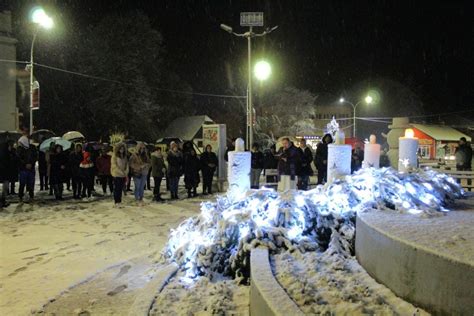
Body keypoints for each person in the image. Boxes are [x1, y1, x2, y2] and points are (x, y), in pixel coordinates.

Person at [17, 136, 38, 202]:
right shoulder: (19, 149)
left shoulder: (32, 148)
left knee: (31, 183)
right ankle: (21, 196)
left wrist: (31, 163)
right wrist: (25, 164)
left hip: (31, 169)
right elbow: (19, 159)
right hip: (23, 169)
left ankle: (31, 195)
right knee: (22, 183)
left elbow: (35, 157)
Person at [111, 142, 129, 207]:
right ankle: (116, 201)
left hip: (123, 175)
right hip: (116, 174)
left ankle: (119, 201)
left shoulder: (124, 156)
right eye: (120, 148)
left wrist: (126, 171)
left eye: (123, 149)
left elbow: (127, 164)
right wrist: (120, 172)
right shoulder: (114, 156)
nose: (122, 150)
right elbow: (114, 165)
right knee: (117, 189)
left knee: (121, 188)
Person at [0, 140, 16, 208]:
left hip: (5, 173)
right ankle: (2, 201)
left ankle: (2, 201)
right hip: (4, 173)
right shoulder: (5, 154)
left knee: (5, 188)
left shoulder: (7, 153)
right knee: (5, 188)